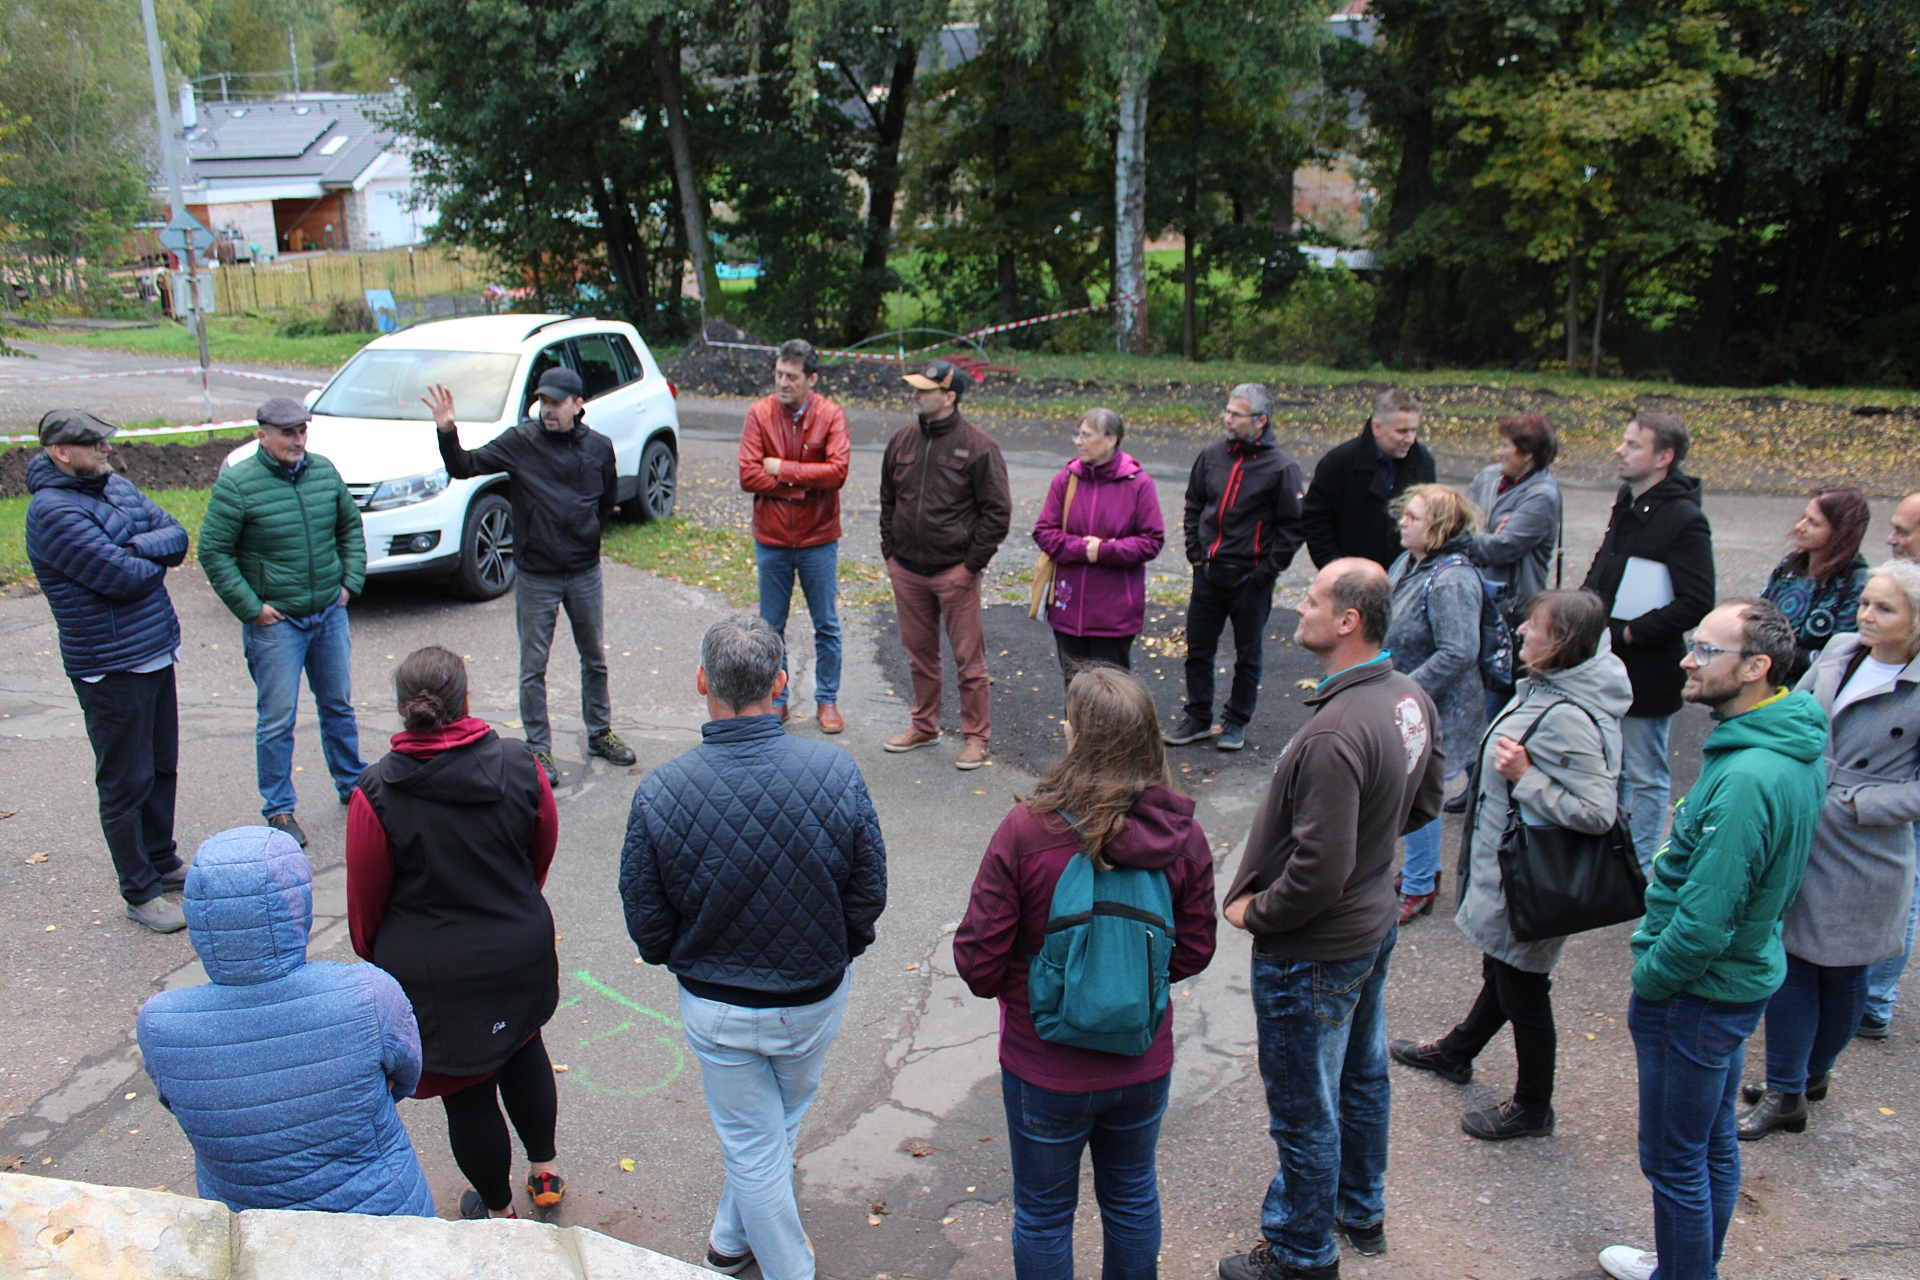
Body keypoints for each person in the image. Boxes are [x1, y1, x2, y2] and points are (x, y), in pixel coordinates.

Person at [620, 615, 887, 1280]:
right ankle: (736, 1245)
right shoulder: (835, 771)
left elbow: (647, 922)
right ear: (781, 684)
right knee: (773, 1129)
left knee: (754, 1142)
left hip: (718, 1009)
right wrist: (835, 951)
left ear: (701, 681)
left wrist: (689, 958)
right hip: (813, 997)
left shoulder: (660, 792)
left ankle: (749, 1252)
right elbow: (867, 892)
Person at [1218, 559, 1445, 1280]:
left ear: (1348, 621)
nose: (1299, 608)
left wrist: (1259, 912)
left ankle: (1300, 1252)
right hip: (1372, 922)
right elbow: (1427, 801)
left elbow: (1318, 870)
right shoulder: (1409, 697)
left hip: (1312, 948)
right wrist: (1373, 845)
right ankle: (1360, 1209)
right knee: (1362, 1076)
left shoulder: (1334, 733)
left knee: (1304, 1106)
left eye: (1312, 600)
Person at [954, 666, 1218, 1280]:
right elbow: (1195, 949)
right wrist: (1128, 982)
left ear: (1076, 738)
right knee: (1131, 1199)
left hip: (1044, 1063)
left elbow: (977, 960)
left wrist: (1040, 985)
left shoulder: (1027, 831)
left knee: (1044, 1215)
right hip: (1141, 1058)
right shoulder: (1182, 835)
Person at [1598, 598, 1825, 1280]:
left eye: (1705, 650)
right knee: (1711, 1143)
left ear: (1756, 668)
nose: (1686, 660)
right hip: (1731, 985)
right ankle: (1688, 1261)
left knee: (1674, 1161)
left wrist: (1651, 979)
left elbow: (1704, 921)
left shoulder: (1750, 777)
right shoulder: (1777, 744)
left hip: (1696, 996)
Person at [1390, 589, 1629, 1140]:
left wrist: (1528, 778)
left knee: (1524, 987)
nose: (1520, 630)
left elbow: (1597, 812)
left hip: (1531, 882)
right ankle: (1457, 1051)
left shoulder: (1569, 715)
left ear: (1561, 642)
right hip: (1508, 873)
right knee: (1503, 970)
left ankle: (1533, 1106)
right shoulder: (1553, 686)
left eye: (1533, 625)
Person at [346, 646, 565, 1219]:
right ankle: (544, 1171)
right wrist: (515, 904)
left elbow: (365, 904)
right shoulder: (520, 764)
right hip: (517, 950)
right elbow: (540, 851)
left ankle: (498, 1211)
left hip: (435, 978)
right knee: (525, 1049)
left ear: (403, 708)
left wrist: (382, 957)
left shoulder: (376, 792)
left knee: (467, 1093)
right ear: (466, 700)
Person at [135, 826, 435, 1216]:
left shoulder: (160, 1025)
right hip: (383, 1211)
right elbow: (406, 1077)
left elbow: (177, 1104)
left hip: (249, 1225)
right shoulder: (369, 994)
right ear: (297, 904)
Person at [1738, 561, 1920, 1139]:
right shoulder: (1841, 649)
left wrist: (1860, 805)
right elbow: (1795, 712)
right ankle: (1786, 1089)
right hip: (1805, 824)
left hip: (1866, 849)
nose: (1866, 615)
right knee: (1790, 960)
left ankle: (1810, 1075)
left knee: (1843, 974)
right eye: (1865, 603)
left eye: (1884, 608)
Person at [24, 410, 190, 933]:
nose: (106, 449)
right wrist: (146, 555)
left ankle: (161, 860)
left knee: (161, 767)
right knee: (125, 780)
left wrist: (136, 545)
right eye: (94, 443)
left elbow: (176, 535)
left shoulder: (114, 485)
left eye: (105, 440)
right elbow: (122, 578)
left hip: (155, 649)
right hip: (110, 665)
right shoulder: (51, 511)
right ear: (60, 452)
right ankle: (140, 891)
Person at [427, 368, 635, 784]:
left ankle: (600, 733)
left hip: (584, 572)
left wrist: (586, 536)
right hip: (537, 575)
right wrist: (447, 430)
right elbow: (464, 466)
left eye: (557, 402)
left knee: (594, 658)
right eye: (543, 401)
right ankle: (539, 747)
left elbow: (606, 502)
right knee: (533, 667)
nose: (547, 410)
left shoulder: (599, 447)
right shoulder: (520, 443)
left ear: (578, 404)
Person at [198, 395, 370, 849]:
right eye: (287, 433)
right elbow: (213, 552)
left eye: (302, 431)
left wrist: (349, 584)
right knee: (277, 719)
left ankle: (352, 783)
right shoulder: (238, 485)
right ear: (263, 435)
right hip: (277, 624)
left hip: (328, 613)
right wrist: (251, 607)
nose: (298, 440)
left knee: (338, 706)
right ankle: (279, 808)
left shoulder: (324, 472)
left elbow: (349, 528)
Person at [1581, 410, 1716, 877]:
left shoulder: (1685, 519)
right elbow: (1607, 561)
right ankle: (1607, 857)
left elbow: (1697, 600)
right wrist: (1582, 609)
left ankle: (1636, 871)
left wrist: (1632, 632)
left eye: (1633, 445)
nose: (1620, 450)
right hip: (1605, 657)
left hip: (1647, 670)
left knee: (1644, 772)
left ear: (1664, 458)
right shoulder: (1628, 498)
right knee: (1608, 763)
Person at [879, 360, 1012, 770]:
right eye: (915, 388)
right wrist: (890, 553)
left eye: (925, 390)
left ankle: (976, 736)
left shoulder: (979, 446)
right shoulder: (901, 440)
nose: (915, 395)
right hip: (907, 569)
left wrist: (970, 566)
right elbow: (887, 499)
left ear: (950, 396)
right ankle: (924, 725)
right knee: (919, 655)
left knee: (969, 660)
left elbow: (997, 513)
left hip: (955, 572)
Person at [1163, 384, 1305, 752]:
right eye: (1227, 411)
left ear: (1260, 420)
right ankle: (1197, 717)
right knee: (1198, 649)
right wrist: (1196, 553)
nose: (1227, 419)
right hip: (1208, 572)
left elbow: (1293, 526)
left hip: (1250, 579)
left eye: (1236, 414)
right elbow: (1194, 504)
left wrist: (1266, 572)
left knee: (1248, 655)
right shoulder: (1211, 455)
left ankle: (1236, 721)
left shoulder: (1282, 467)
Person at [1384, 484, 1486, 922]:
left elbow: (1459, 651)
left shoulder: (1452, 579)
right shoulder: (1410, 561)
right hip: (1414, 702)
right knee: (1412, 790)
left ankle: (1420, 884)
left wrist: (1404, 689)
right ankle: (1421, 872)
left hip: (1441, 709)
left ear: (1439, 528)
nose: (1403, 522)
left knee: (1418, 794)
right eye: (1404, 513)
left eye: (1414, 517)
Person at [738, 339, 851, 732]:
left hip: (819, 538)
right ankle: (777, 699)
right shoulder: (759, 413)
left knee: (826, 624)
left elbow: (837, 472)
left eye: (791, 376)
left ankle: (827, 700)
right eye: (779, 374)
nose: (782, 382)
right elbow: (748, 475)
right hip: (771, 539)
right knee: (770, 628)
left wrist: (782, 469)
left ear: (811, 379)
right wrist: (801, 485)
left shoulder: (831, 414)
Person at [1032, 408, 1166, 685]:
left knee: (1113, 693)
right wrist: (1084, 549)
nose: (1078, 442)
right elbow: (1043, 532)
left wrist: (1105, 551)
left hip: (1114, 616)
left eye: (1086, 435)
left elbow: (1152, 541)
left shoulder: (1138, 484)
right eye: (1077, 434)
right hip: (1068, 612)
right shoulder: (1065, 479)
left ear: (1110, 440)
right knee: (1075, 689)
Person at [1862, 491, 1920, 1038]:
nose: (1891, 538)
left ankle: (1874, 997)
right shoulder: (1850, 650)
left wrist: (1866, 803)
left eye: (1904, 530)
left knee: (1904, 887)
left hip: (1893, 797)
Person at [1299, 388, 1436, 570]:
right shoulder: (1339, 463)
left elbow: (1432, 520)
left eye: (1414, 430)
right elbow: (1316, 522)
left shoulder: (1423, 463)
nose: (1410, 439)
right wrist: (1336, 570)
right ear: (1377, 427)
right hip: (1351, 577)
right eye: (1402, 431)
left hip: (1408, 576)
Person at [1759, 485, 1871, 678]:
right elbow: (1756, 615)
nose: (1799, 527)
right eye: (1804, 517)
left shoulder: (1856, 585)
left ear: (1840, 533)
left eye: (1814, 523)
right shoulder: (1790, 567)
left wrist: (1767, 651)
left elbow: (1836, 659)